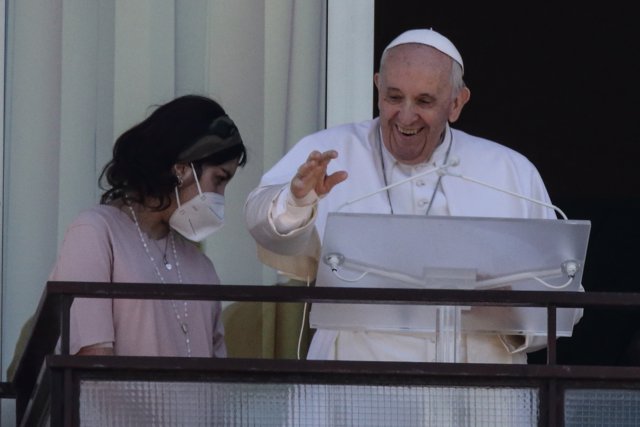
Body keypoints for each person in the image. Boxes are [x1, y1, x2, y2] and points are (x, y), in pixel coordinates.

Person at [244, 28, 583, 364]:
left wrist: (511, 314)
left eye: (424, 101)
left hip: (477, 389)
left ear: (456, 103)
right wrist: (298, 201)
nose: (405, 116)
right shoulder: (330, 152)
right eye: (393, 97)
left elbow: (565, 296)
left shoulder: (509, 171)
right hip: (357, 382)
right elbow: (263, 225)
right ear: (377, 86)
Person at [49, 94, 247, 357]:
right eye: (219, 179)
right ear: (182, 169)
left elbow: (218, 383)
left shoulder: (202, 267)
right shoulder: (95, 232)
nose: (220, 196)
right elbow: (91, 366)